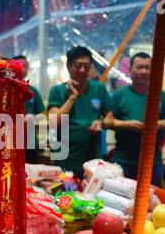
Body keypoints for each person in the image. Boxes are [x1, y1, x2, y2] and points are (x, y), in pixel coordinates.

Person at [48, 46, 112, 177]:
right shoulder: (57, 91)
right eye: (78, 66)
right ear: (68, 66)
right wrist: (72, 97)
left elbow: (109, 118)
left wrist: (101, 123)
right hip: (66, 159)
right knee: (66, 196)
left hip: (93, 160)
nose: (83, 70)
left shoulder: (98, 88)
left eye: (87, 66)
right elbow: (54, 123)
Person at [104, 52, 165, 187]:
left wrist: (158, 124)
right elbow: (107, 122)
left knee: (152, 203)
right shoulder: (119, 95)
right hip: (123, 161)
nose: (143, 71)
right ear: (130, 69)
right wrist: (126, 124)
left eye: (147, 67)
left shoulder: (161, 96)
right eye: (139, 67)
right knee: (122, 204)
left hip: (152, 162)